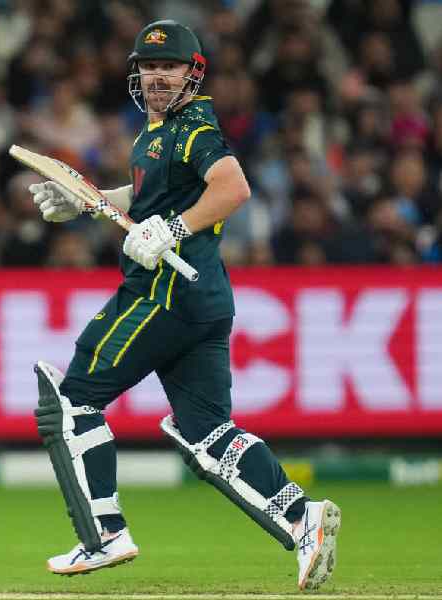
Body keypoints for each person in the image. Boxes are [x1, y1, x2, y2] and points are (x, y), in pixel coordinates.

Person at [28, 20, 340, 591]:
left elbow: (232, 188)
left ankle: (104, 535)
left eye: (168, 67)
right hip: (203, 299)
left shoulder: (193, 128)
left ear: (193, 73)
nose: (155, 77)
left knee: (71, 403)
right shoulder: (156, 132)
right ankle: (303, 518)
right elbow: (149, 197)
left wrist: (172, 227)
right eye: (147, 67)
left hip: (164, 293)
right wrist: (87, 202)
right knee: (207, 432)